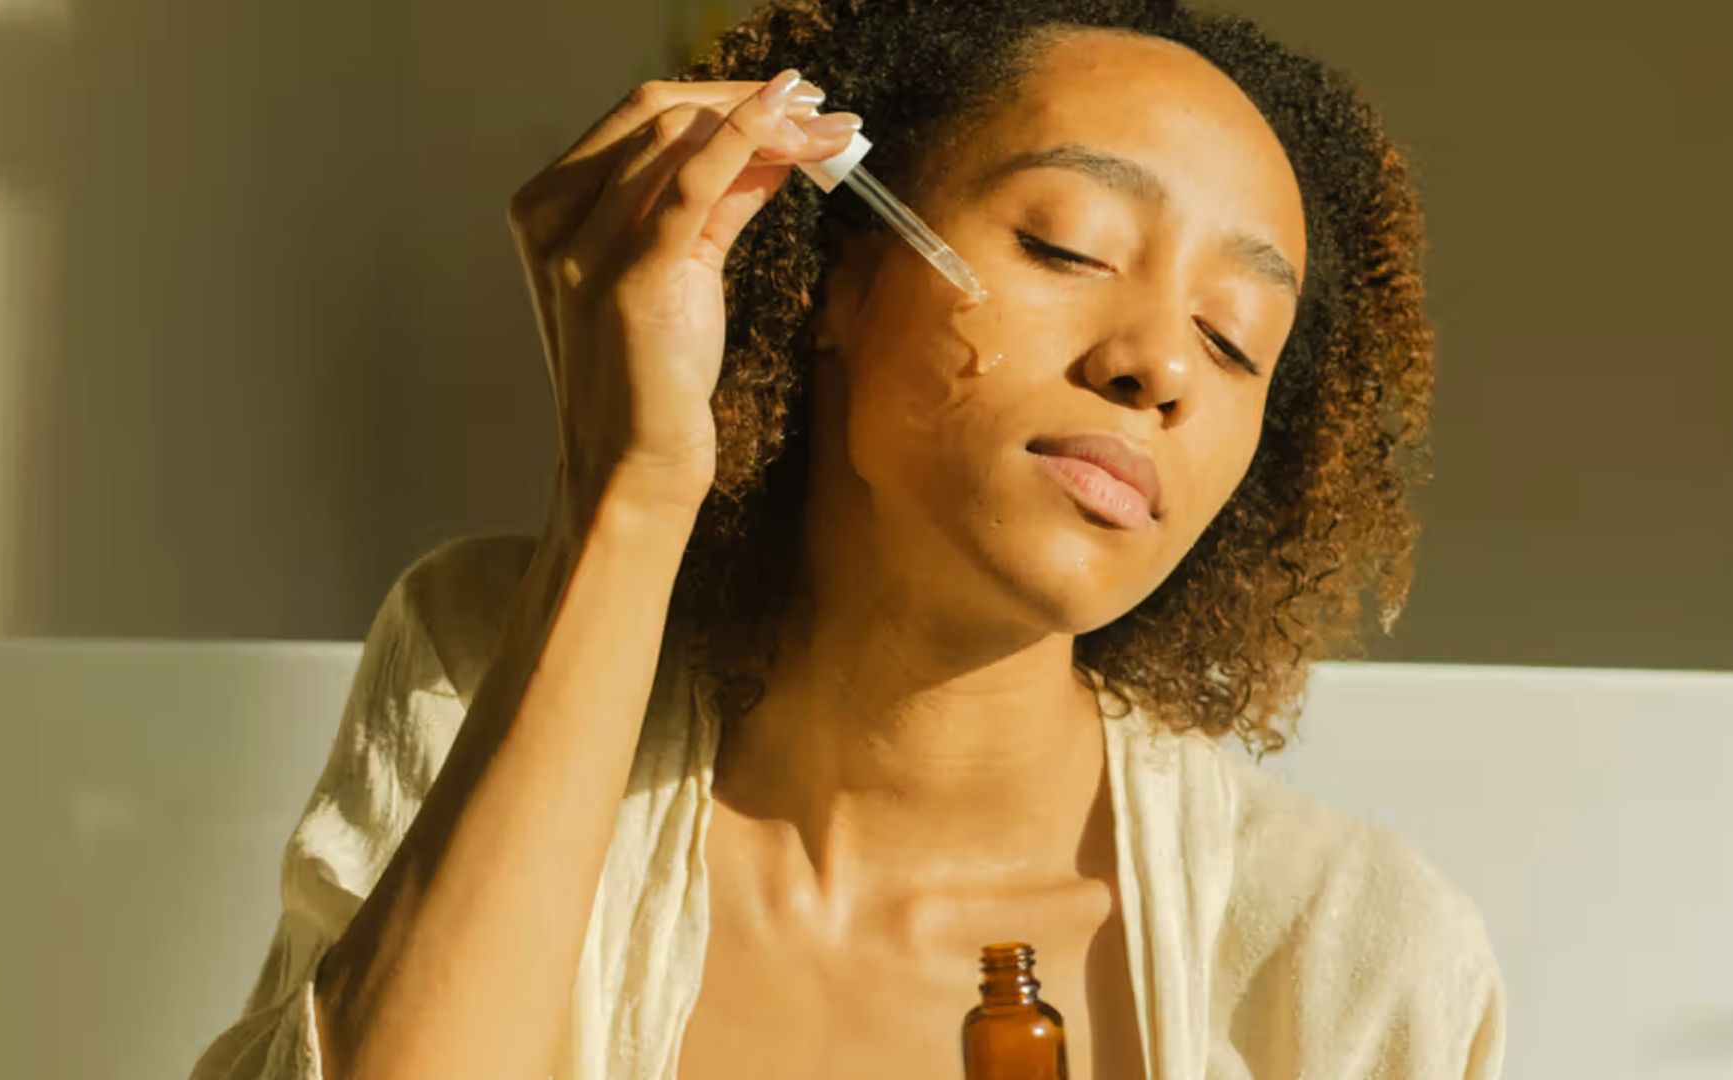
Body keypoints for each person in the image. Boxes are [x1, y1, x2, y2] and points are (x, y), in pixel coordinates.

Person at [189, 1, 1505, 1077]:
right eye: (1066, 244)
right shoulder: (479, 667)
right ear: (836, 274)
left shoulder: (1353, 961)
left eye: (1233, 342)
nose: (1161, 362)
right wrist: (626, 491)